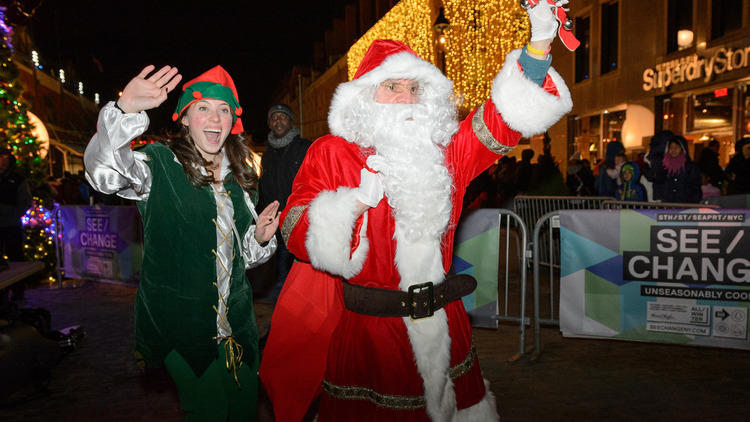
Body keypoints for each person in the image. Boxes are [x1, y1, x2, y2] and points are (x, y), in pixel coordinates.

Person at [258, 2, 572, 420]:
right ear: (368, 96)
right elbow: (295, 229)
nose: (406, 97)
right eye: (392, 87)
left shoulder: (446, 153)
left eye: (415, 88)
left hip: (447, 329)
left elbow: (501, 121)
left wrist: (537, 47)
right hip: (370, 333)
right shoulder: (332, 152)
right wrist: (353, 205)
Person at [84, 65, 279, 421]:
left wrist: (260, 238)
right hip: (180, 324)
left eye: (223, 109)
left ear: (232, 121)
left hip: (238, 328)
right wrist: (123, 110)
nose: (214, 117)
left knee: (242, 409)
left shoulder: (238, 177)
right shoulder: (159, 166)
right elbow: (104, 174)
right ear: (185, 117)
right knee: (209, 411)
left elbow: (238, 258)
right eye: (202, 107)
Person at [258, 104, 311, 304]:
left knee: (300, 271)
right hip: (276, 224)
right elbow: (264, 187)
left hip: (301, 222)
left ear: (291, 121)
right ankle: (282, 300)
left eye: (283, 117)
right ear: (269, 124)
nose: (278, 121)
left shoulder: (305, 148)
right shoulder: (267, 154)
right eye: (274, 117)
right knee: (280, 266)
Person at [0, 148, 32, 266]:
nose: (3, 161)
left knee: (16, 257)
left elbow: (26, 201)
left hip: (11, 225)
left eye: (5, 158)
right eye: (0, 158)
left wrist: (11, 213)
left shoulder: (17, 179)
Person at [651, 135, 702, 203]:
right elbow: (659, 183)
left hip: (686, 205)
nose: (673, 150)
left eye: (676, 147)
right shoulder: (664, 166)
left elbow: (696, 187)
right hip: (668, 205)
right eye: (671, 147)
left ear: (682, 148)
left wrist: (694, 202)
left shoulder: (690, 167)